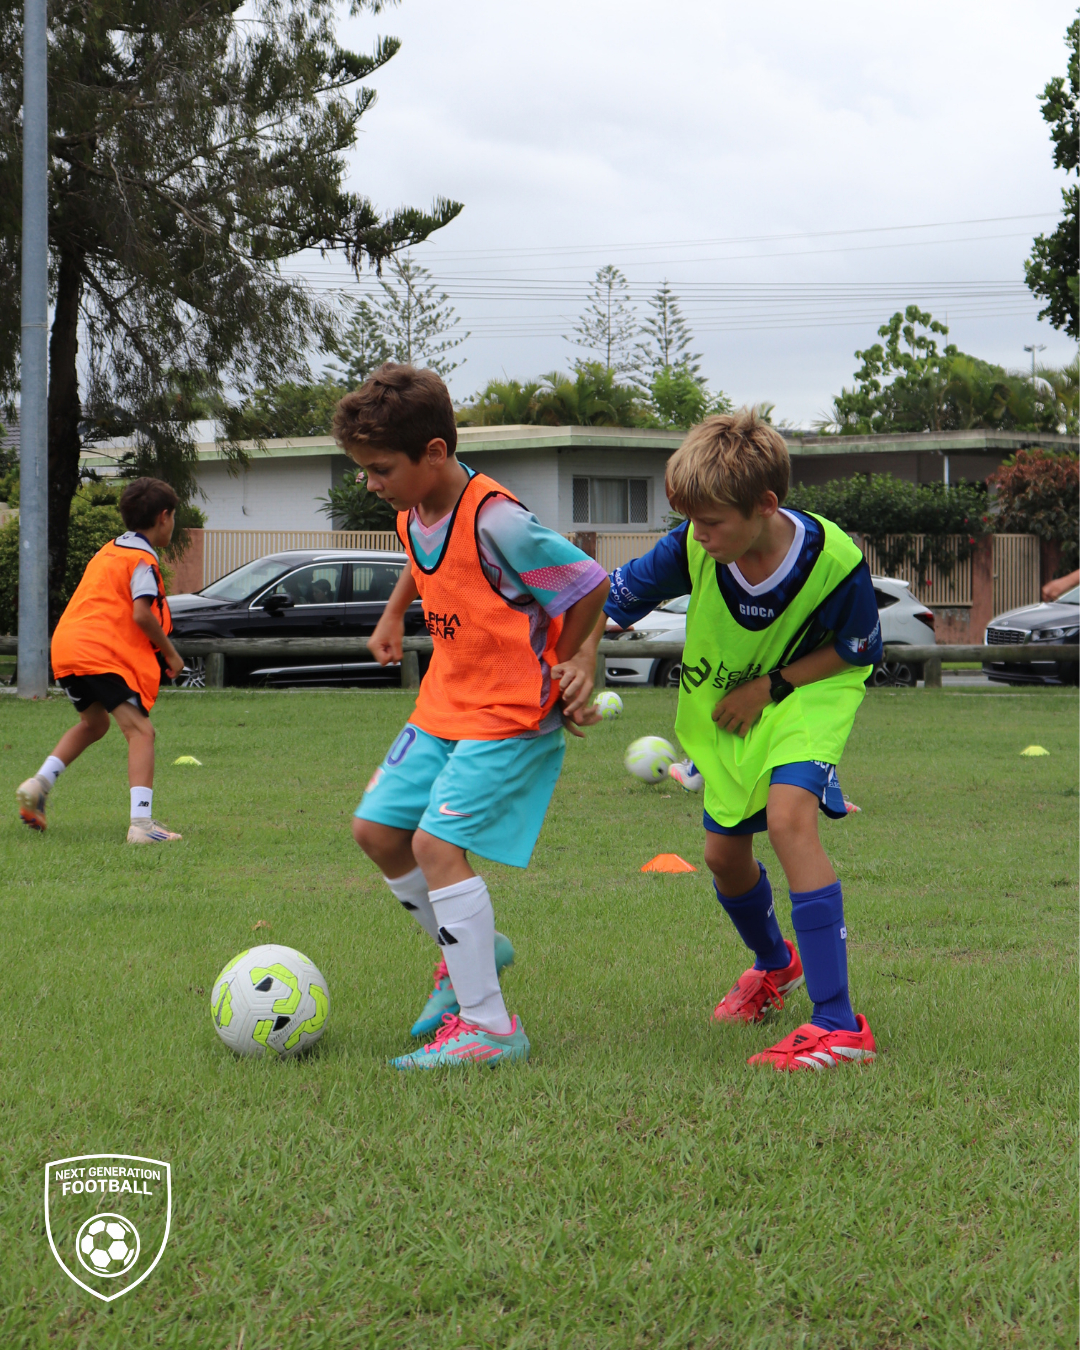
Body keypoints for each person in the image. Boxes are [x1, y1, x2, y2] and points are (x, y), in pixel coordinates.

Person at [583, 409, 882, 1072]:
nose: (700, 536)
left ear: (765, 506)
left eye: (713, 523)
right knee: (722, 855)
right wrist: (567, 647)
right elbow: (610, 602)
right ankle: (777, 967)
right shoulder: (695, 542)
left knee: (789, 820)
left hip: (810, 692)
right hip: (729, 707)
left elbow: (860, 648)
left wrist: (771, 686)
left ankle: (838, 1024)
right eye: (692, 522)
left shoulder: (834, 561)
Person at [335, 364, 610, 1069]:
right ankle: (474, 954)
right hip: (443, 705)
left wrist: (579, 661)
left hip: (510, 710)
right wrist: (395, 612)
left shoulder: (501, 520)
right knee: (376, 831)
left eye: (380, 468)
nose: (371, 482)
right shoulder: (413, 507)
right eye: (364, 469)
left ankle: (490, 1027)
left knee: (434, 847)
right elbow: (422, 552)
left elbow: (585, 582)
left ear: (434, 452)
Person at [16, 477, 186, 844]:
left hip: (67, 645)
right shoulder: (142, 560)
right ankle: (142, 825)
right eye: (174, 517)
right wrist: (171, 652)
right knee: (141, 731)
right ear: (164, 516)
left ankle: (39, 783)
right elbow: (142, 614)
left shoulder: (108, 550)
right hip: (98, 651)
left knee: (94, 724)